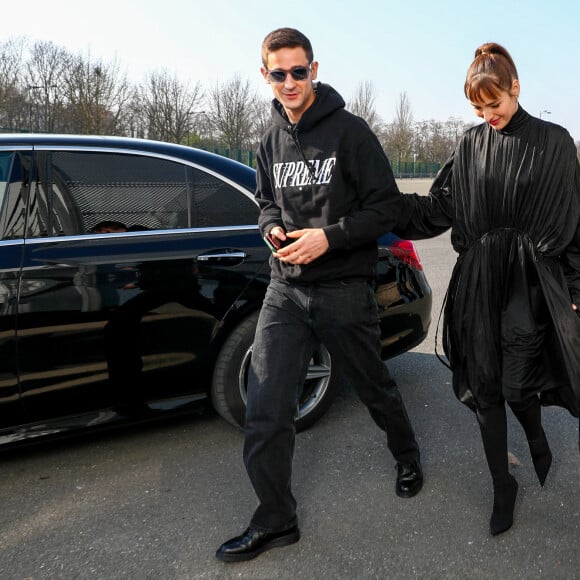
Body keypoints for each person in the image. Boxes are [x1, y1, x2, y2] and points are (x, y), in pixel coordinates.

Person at [216, 27, 423, 563]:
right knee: (264, 408)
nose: (289, 82)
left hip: (343, 288)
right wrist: (271, 230)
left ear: (314, 69)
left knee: (375, 386)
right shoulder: (266, 141)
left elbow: (388, 209)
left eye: (298, 71)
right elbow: (264, 202)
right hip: (284, 291)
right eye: (278, 73)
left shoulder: (351, 133)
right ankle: (276, 519)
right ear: (265, 75)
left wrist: (328, 237)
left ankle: (406, 454)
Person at [394, 42, 580, 536]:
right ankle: (503, 486)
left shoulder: (555, 142)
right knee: (484, 390)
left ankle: (536, 436)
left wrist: (576, 288)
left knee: (520, 385)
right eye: (478, 108)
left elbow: (573, 223)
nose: (488, 115)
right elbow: (436, 210)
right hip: (477, 281)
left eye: (494, 104)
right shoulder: (469, 144)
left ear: (515, 88)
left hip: (529, 285)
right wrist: (381, 204)